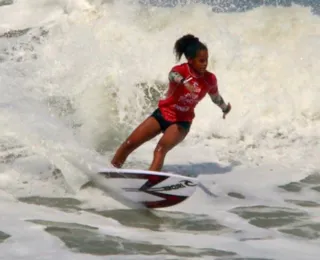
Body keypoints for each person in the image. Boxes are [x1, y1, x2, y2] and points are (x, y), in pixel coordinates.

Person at [111, 34, 231, 172]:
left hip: (181, 122)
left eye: (206, 60)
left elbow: (215, 97)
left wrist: (225, 108)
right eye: (201, 60)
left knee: (160, 149)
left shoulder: (209, 79)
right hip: (162, 115)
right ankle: (110, 172)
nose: (205, 63)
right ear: (191, 60)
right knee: (129, 144)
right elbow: (172, 75)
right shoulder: (181, 70)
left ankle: (150, 182)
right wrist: (184, 82)